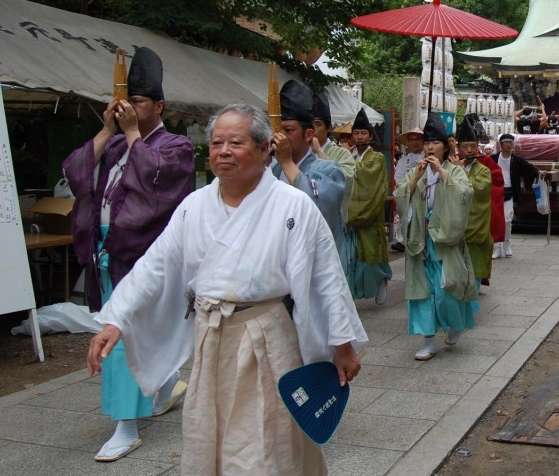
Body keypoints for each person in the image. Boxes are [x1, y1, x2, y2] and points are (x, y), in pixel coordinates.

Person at [86, 103, 366, 475]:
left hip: (267, 338)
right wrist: (116, 319)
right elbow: (156, 265)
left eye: (236, 142)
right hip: (212, 338)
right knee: (210, 435)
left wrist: (342, 345)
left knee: (267, 441)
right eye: (217, 142)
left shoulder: (293, 205)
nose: (223, 151)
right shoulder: (195, 206)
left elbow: (325, 279)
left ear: (265, 148)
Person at [63, 46, 195, 462]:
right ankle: (162, 383)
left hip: (147, 254)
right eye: (123, 102)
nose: (128, 108)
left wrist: (134, 133)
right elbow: (75, 172)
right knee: (123, 330)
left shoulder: (176, 146)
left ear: (158, 105)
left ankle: (125, 425)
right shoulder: (116, 146)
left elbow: (158, 180)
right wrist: (106, 131)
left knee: (124, 334)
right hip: (109, 252)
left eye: (137, 101)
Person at [394, 112, 478, 361]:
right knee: (422, 292)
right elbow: (400, 196)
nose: (430, 147)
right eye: (427, 143)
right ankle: (428, 340)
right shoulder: (415, 172)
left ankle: (454, 326)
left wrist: (442, 172)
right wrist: (416, 180)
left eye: (435, 143)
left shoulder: (455, 171)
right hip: (420, 241)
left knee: (445, 290)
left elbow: (464, 194)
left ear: (445, 146)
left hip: (445, 241)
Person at [271, 79, 347, 268]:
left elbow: (318, 210)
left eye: (288, 130)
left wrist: (287, 162)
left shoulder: (329, 170)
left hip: (315, 265)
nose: (280, 137)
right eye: (277, 130)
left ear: (308, 134)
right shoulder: (274, 168)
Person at [347, 109, 393, 305]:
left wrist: (346, 162)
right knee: (355, 255)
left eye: (363, 133)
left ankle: (382, 278)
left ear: (370, 136)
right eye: (356, 133)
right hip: (351, 211)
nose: (360, 137)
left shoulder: (377, 158)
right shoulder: (350, 155)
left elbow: (366, 176)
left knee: (372, 253)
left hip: (370, 210)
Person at [310, 91, 358, 277]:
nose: (313, 129)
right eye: (310, 124)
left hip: (332, 226)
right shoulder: (298, 155)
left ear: (329, 127)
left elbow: (344, 179)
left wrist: (319, 153)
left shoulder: (341, 154)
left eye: (318, 124)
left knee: (333, 280)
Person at [452, 118, 494, 291]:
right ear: (458, 147)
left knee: (475, 262)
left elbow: (480, 189)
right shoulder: (451, 167)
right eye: (464, 146)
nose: (469, 150)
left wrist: (460, 172)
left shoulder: (483, 170)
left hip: (475, 224)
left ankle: (475, 289)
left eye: (472, 146)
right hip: (455, 222)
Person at [492, 133, 544, 258]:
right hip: (495, 192)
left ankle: (507, 243)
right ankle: (497, 247)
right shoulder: (493, 158)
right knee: (495, 221)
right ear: (501, 144)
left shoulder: (517, 159)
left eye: (511, 142)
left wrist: (539, 172)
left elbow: (529, 168)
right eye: (506, 142)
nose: (508, 144)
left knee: (507, 220)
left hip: (510, 192)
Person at [391, 128, 425, 252]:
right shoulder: (402, 161)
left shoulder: (429, 158)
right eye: (411, 139)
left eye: (418, 139)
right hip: (408, 196)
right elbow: (399, 181)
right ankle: (402, 241)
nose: (414, 142)